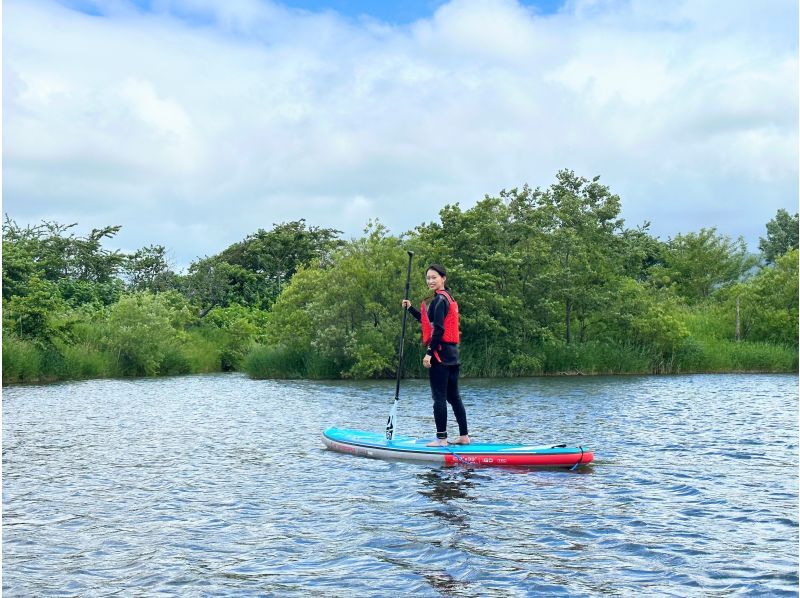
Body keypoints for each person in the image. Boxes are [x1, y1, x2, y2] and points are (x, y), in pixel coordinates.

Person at [402, 264, 470, 447]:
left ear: (443, 278)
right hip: (453, 356)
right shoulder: (447, 298)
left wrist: (429, 353)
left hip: (440, 356)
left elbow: (438, 330)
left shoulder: (439, 300)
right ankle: (464, 436)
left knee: (439, 397)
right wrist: (411, 309)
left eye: (434, 277)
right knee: (454, 397)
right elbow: (429, 322)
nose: (430, 281)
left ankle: (441, 439)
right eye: (428, 278)